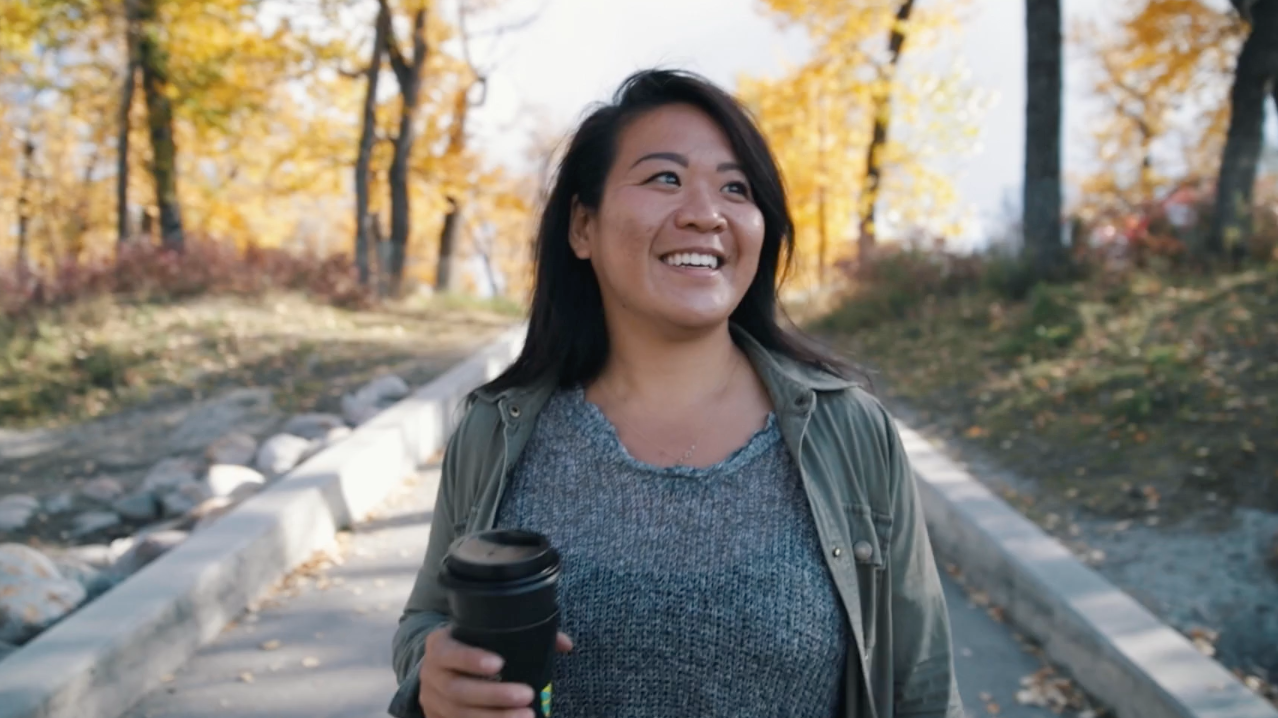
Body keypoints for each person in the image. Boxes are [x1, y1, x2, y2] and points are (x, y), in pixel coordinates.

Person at [390, 68, 963, 718]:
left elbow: (923, 690)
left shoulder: (853, 434)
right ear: (583, 226)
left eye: (736, 188)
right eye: (665, 177)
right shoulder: (497, 430)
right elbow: (428, 621)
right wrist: (432, 682)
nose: (704, 213)